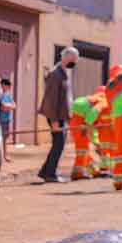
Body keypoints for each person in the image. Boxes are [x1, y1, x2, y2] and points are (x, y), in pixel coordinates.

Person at [37, 47, 78, 182]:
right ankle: (49, 173)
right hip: (56, 116)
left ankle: (46, 171)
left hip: (61, 116)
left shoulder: (64, 72)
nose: (75, 61)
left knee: (59, 144)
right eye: (74, 58)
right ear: (66, 57)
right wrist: (54, 121)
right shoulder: (56, 74)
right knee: (58, 144)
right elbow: (51, 99)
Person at [68, 89, 109, 180]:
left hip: (77, 120)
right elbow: (94, 112)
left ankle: (93, 170)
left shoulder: (96, 98)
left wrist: (95, 142)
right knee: (82, 149)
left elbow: (93, 128)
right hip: (81, 122)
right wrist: (86, 125)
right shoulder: (104, 102)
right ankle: (78, 173)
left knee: (84, 149)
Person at [0, 78, 15, 160]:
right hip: (1, 119)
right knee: (2, 138)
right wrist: (9, 106)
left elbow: (14, 105)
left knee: (5, 138)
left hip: (7, 119)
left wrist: (8, 106)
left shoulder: (8, 95)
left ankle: (4, 155)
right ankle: (3, 155)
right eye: (7, 85)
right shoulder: (1, 95)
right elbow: (2, 106)